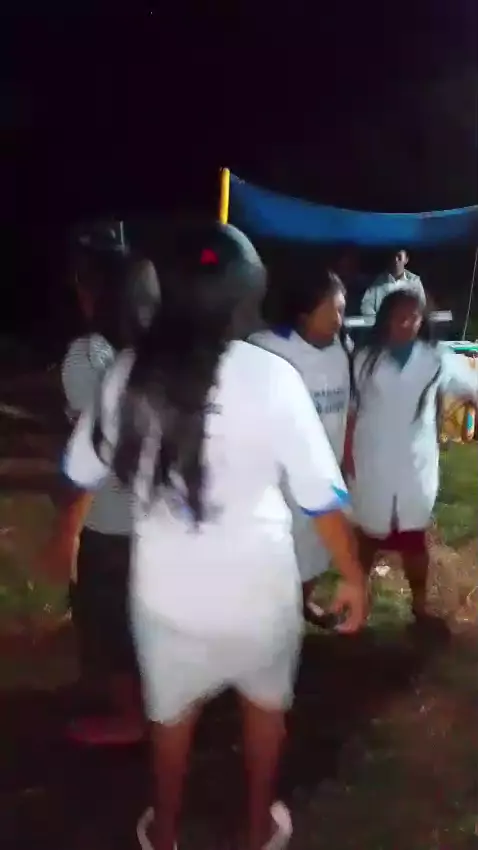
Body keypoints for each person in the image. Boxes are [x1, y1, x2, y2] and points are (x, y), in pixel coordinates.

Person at [60, 222, 367, 850]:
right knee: (265, 713)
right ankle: (257, 830)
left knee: (170, 720)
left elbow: (79, 471)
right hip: (260, 593)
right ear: (245, 294)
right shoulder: (272, 377)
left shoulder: (125, 374)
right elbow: (322, 499)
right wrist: (354, 576)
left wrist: (66, 536)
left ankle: (165, 833)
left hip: (167, 598)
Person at [44, 221, 161, 746]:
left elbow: (94, 451)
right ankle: (147, 703)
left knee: (107, 618)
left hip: (110, 519)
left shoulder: (88, 355)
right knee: (139, 613)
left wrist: (67, 532)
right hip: (155, 513)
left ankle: (131, 718)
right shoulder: (155, 353)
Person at [347, 289, 478, 624]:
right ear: (385, 318)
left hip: (415, 463)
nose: (405, 323)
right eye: (398, 317)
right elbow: (352, 411)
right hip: (372, 458)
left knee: (413, 537)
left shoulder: (436, 359)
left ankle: (419, 605)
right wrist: (347, 456)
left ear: (422, 320)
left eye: (413, 317)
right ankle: (357, 600)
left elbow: (472, 387)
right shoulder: (364, 358)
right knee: (368, 535)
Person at [249, 270, 354, 627]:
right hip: (281, 482)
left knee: (315, 550)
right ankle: (272, 619)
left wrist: (345, 461)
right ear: (304, 312)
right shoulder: (267, 348)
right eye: (333, 310)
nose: (339, 319)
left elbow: (345, 409)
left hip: (325, 474)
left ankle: (303, 604)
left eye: (342, 309)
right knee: (281, 552)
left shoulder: (341, 349)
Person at [361, 248, 426, 317]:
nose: (395, 260)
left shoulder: (414, 281)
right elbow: (366, 307)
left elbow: (422, 306)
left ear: (406, 260)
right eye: (392, 257)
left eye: (399, 257)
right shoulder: (377, 282)